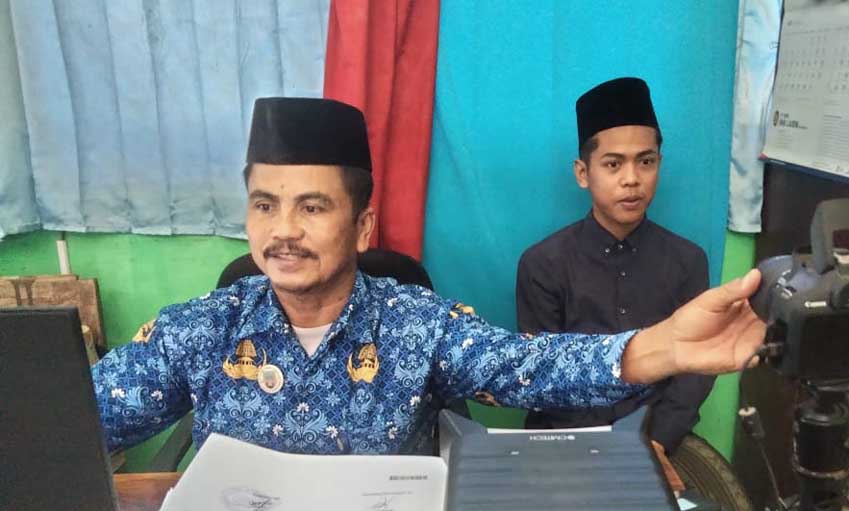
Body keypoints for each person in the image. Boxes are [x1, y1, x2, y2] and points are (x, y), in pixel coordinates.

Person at [93, 96, 764, 457]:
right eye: (265, 206)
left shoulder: (415, 326)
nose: (283, 231)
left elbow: (529, 367)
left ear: (362, 227)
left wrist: (665, 347)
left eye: (313, 207)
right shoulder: (201, 330)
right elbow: (78, 421)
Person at [517, 77, 714, 454]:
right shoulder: (542, 264)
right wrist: (602, 456)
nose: (632, 180)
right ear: (583, 173)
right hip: (564, 445)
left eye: (646, 162)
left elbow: (694, 371)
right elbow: (543, 376)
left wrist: (655, 443)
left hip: (658, 442)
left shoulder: (688, 261)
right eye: (613, 164)